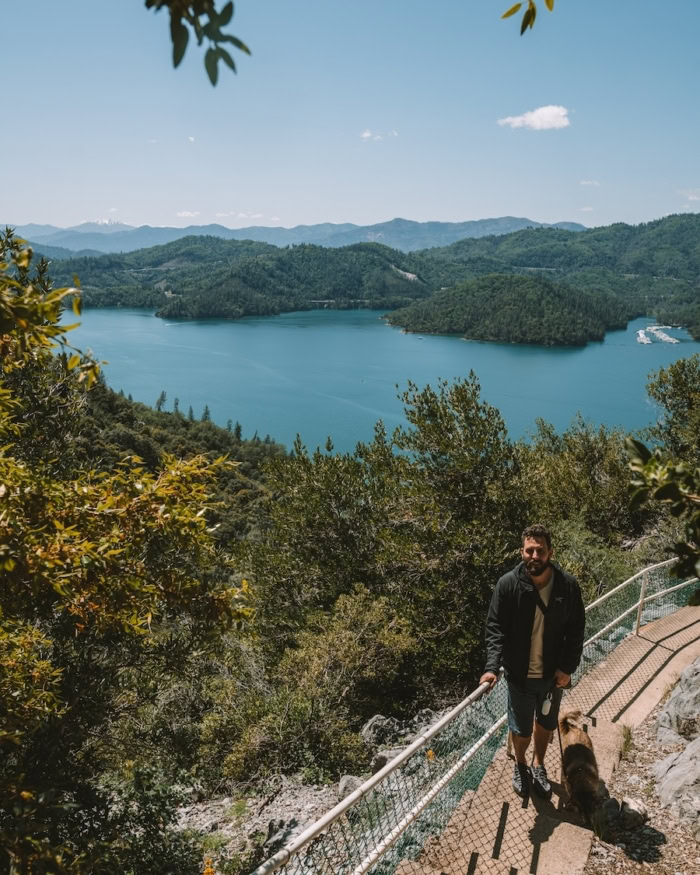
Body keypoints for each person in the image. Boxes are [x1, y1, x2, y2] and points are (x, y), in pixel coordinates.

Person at [479, 524, 585, 799]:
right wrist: (491, 668)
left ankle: (539, 765)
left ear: (550, 552)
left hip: (552, 674)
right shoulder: (508, 585)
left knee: (547, 725)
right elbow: (495, 628)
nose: (534, 555)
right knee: (521, 728)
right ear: (522, 551)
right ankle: (522, 763)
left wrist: (567, 668)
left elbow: (576, 629)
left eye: (540, 550)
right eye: (529, 550)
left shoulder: (567, 586)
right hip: (519, 674)